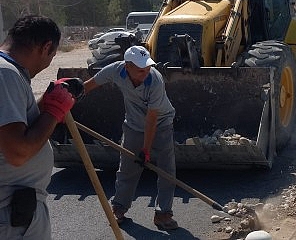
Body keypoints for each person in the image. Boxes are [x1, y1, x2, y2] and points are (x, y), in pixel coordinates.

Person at [82, 45, 178, 230]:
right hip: (133, 124)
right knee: (127, 168)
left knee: (167, 171)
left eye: (148, 67)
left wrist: (146, 151)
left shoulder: (155, 80)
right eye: (141, 70)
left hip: (161, 123)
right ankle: (119, 208)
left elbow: (152, 119)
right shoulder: (116, 70)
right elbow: (91, 84)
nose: (146, 72)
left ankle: (163, 213)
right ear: (127, 66)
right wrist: (68, 99)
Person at [0, 15, 77, 240]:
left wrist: (46, 103)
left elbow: (14, 127)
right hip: (11, 218)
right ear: (46, 47)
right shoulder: (6, 74)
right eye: (52, 56)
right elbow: (18, 152)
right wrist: (54, 111)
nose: (49, 62)